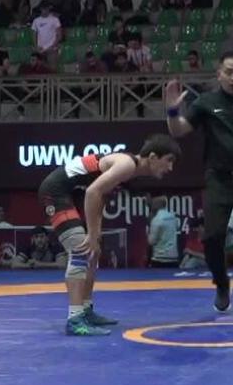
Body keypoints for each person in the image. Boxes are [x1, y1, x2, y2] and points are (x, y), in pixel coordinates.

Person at [37, 134, 181, 335]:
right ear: (153, 157)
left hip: (71, 191)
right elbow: (92, 193)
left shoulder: (129, 169)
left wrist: (96, 235)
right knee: (80, 249)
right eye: (169, 160)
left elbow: (100, 196)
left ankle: (86, 310)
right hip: (55, 191)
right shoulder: (126, 165)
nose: (170, 168)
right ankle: (75, 319)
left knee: (92, 251)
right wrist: (91, 234)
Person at [164, 51, 233, 317]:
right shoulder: (206, 102)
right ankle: (222, 284)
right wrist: (172, 109)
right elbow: (178, 130)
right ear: (219, 75)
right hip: (218, 179)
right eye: (229, 72)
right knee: (212, 237)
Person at [147, 195, 180, 267]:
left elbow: (151, 241)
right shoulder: (173, 217)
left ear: (156, 205)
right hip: (173, 257)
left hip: (160, 259)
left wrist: (148, 233)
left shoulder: (156, 219)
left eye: (153, 204)